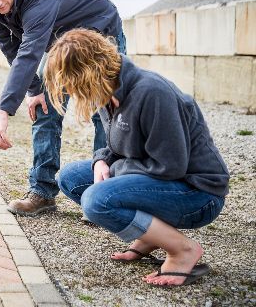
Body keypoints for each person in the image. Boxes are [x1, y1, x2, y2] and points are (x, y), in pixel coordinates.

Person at [45, 28, 229, 286]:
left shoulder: (151, 92)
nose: (70, 90)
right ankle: (153, 236)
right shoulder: (109, 91)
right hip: (157, 179)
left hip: (196, 192)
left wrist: (115, 170)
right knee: (71, 178)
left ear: (86, 73)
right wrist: (101, 160)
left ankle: (183, 250)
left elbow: (170, 166)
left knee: (97, 200)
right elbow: (118, 145)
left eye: (70, 82)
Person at [0, 0, 126, 216]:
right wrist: (33, 89)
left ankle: (102, 195)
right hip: (60, 43)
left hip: (101, 32)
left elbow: (29, 52)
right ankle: (42, 192)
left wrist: (3, 111)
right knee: (44, 108)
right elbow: (12, 49)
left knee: (105, 111)